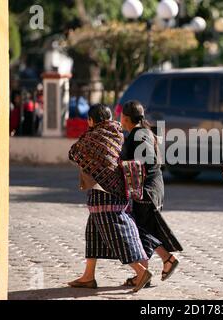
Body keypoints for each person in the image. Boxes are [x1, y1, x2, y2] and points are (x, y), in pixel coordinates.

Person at [68, 104, 152, 293]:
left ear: (91, 120)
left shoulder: (93, 136)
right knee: (93, 233)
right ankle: (88, 276)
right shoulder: (117, 133)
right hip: (119, 189)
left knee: (116, 235)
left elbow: (73, 153)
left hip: (103, 193)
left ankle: (141, 271)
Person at [120, 100, 183, 288]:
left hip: (146, 190)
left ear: (125, 118)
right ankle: (143, 274)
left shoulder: (138, 135)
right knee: (143, 229)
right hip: (155, 187)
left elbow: (144, 161)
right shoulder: (144, 132)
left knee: (139, 228)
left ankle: (167, 258)